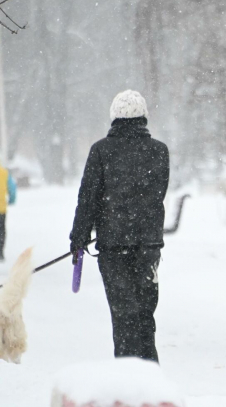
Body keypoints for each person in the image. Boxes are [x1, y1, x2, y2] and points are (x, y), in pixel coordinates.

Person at [69, 90, 169, 363]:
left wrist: (79, 238)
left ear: (114, 118)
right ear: (143, 117)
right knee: (145, 317)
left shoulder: (101, 151)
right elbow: (156, 195)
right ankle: (150, 382)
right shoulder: (159, 151)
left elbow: (87, 198)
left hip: (113, 249)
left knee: (123, 318)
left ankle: (127, 386)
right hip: (148, 248)